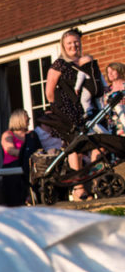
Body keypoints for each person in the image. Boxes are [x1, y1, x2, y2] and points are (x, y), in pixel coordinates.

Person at [45, 29, 96, 199]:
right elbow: (49, 91)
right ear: (63, 46)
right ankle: (78, 188)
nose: (74, 45)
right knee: (74, 148)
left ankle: (92, 183)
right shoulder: (59, 64)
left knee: (89, 147)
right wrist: (59, 109)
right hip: (66, 111)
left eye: (76, 42)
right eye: (70, 43)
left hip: (83, 109)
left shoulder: (83, 61)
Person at [103, 62, 125, 136]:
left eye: (113, 71)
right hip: (115, 126)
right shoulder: (107, 92)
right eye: (108, 72)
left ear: (120, 70)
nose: (110, 74)